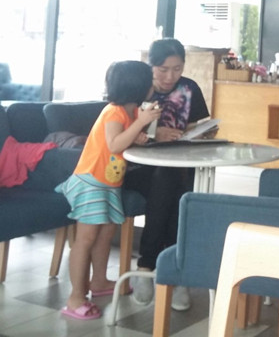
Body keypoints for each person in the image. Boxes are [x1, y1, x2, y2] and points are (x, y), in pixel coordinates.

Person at [56, 61, 160, 320]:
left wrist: (138, 134)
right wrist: (140, 124)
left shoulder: (131, 112)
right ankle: (75, 298)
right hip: (91, 182)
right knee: (86, 239)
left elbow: (123, 141)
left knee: (105, 235)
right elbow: (114, 144)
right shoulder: (113, 112)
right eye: (149, 81)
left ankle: (99, 281)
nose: (153, 85)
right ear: (137, 86)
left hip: (109, 183)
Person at [124, 38, 212, 310]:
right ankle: (172, 273)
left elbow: (195, 126)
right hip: (136, 167)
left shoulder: (190, 88)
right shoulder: (136, 88)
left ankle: (148, 267)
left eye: (177, 69)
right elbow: (119, 131)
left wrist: (201, 134)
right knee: (172, 185)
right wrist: (154, 134)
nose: (170, 77)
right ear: (150, 66)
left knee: (174, 184)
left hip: (177, 165)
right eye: (162, 70)